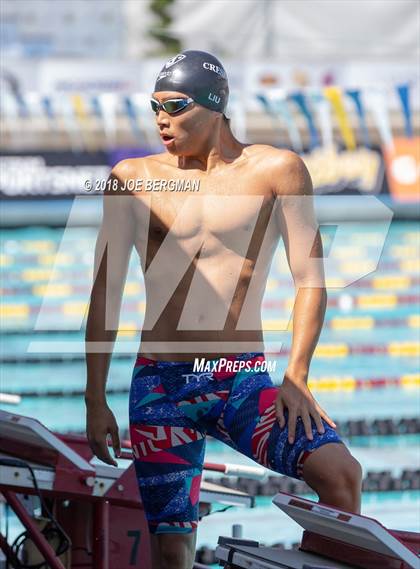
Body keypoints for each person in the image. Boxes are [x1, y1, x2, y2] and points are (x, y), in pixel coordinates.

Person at [85, 50, 363, 569]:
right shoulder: (132, 177)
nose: (160, 119)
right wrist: (93, 395)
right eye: (154, 107)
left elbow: (311, 280)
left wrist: (297, 374)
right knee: (172, 550)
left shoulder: (276, 170)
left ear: (214, 106)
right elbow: (106, 293)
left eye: (173, 105)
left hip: (237, 378)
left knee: (341, 476)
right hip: (160, 385)